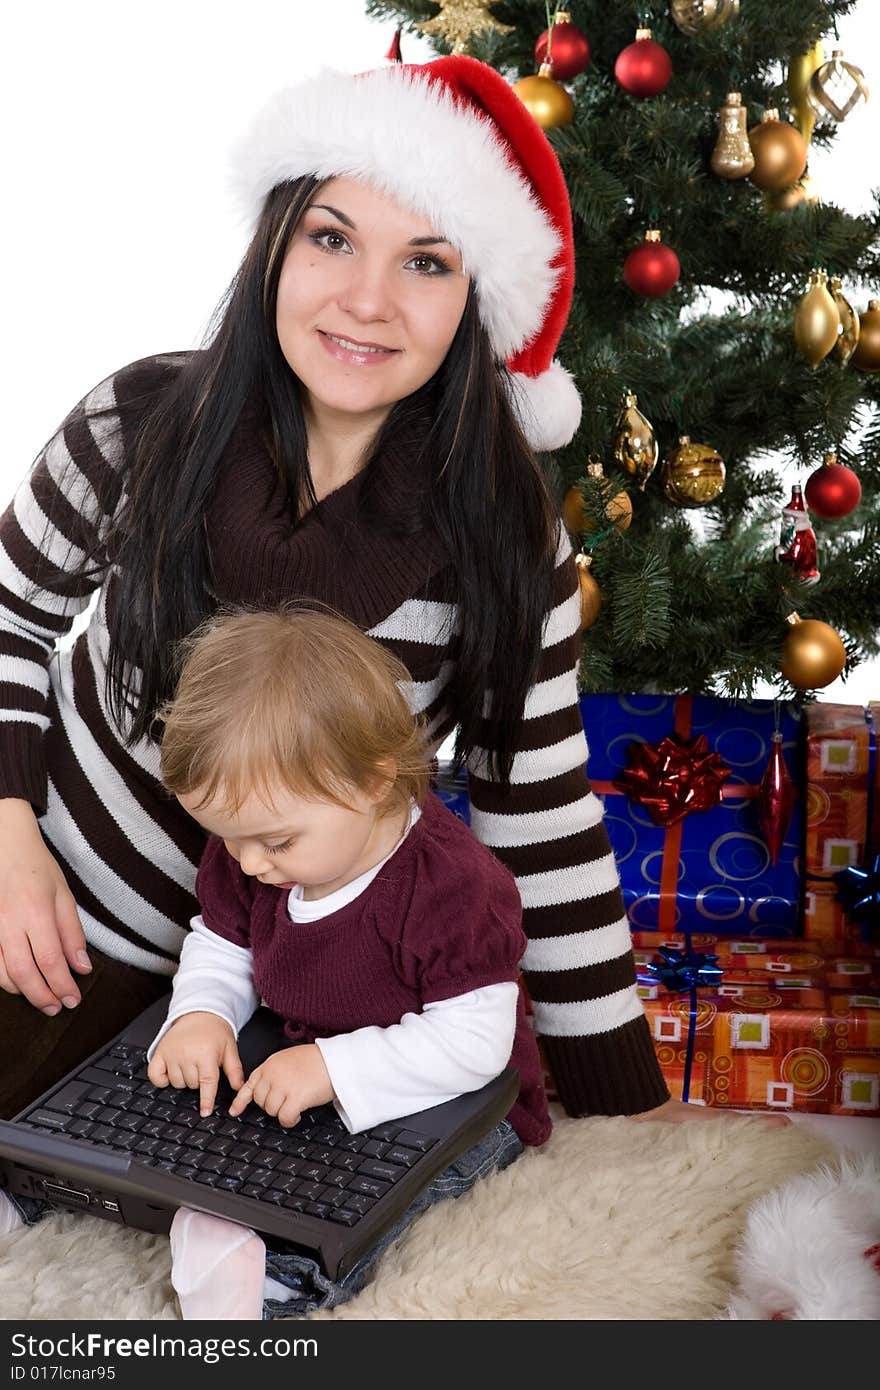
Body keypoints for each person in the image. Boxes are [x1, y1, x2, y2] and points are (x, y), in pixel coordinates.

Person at [1, 53, 721, 1128]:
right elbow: (11, 620)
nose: (366, 301)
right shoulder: (137, 423)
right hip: (35, 897)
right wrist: (8, 839)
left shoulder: (506, 539)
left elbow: (538, 811)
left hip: (254, 1001)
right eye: (331, 238)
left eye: (425, 263)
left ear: (476, 299)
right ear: (274, 248)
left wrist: (622, 1106)